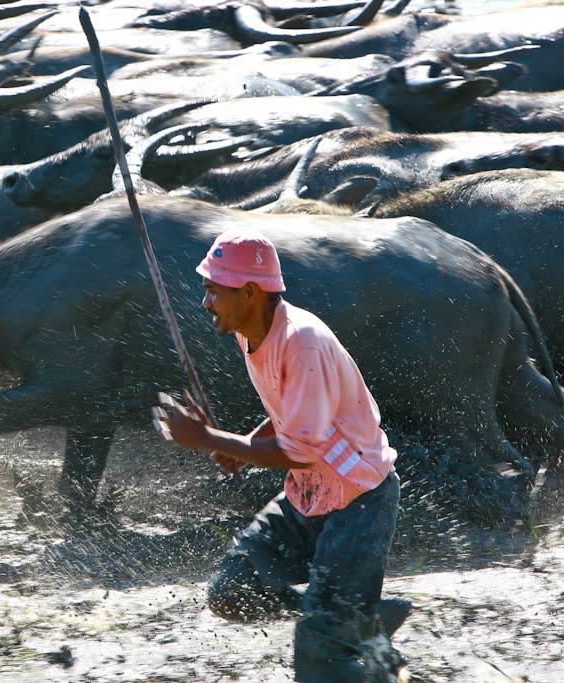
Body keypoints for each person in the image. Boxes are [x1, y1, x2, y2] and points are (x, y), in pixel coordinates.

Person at [151, 230, 410, 682]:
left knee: (319, 664)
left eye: (214, 291)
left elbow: (299, 448)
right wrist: (245, 442)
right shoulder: (253, 332)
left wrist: (210, 438)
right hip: (310, 494)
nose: (205, 302)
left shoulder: (302, 340)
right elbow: (293, 409)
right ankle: (354, 620)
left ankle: (345, 635)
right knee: (232, 593)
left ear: (250, 293)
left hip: (358, 502)